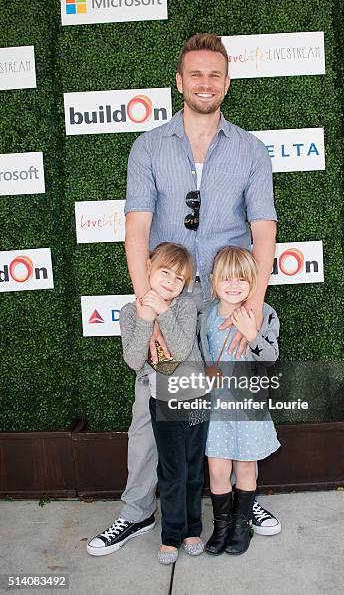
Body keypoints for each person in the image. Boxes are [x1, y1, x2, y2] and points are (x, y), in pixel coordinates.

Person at [87, 32, 280, 557]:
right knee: (152, 412)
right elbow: (137, 230)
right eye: (195, 73)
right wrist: (147, 308)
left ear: (227, 83)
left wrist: (255, 306)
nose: (205, 82)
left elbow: (264, 230)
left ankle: (240, 502)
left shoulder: (250, 150)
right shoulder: (148, 146)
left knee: (233, 404)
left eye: (214, 74)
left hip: (228, 302)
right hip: (169, 301)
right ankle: (136, 510)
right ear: (179, 81)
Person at [119, 242, 209, 564]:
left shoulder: (184, 308)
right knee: (172, 470)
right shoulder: (131, 312)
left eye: (180, 278)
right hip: (162, 401)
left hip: (195, 396)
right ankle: (171, 536)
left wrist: (164, 311)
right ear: (148, 268)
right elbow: (133, 360)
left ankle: (193, 530)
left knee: (194, 470)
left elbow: (183, 349)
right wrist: (145, 317)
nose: (171, 281)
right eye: (165, 272)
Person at [199, 246, 280, 556]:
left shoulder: (263, 313)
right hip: (216, 408)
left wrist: (251, 332)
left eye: (242, 279)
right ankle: (221, 527)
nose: (234, 285)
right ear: (213, 280)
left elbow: (270, 358)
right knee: (218, 471)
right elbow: (198, 353)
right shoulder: (205, 315)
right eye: (226, 278)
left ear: (253, 281)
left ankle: (241, 526)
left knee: (245, 469)